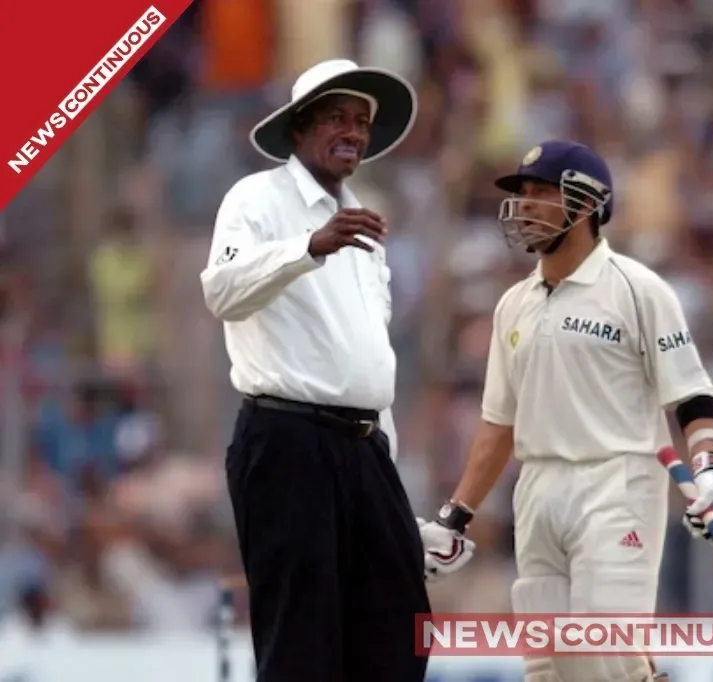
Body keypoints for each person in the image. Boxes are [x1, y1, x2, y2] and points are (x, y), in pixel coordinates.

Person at [415, 140, 713, 681]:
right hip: (538, 492)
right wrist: (456, 518)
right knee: (547, 670)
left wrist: (711, 468)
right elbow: (498, 424)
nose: (524, 204)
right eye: (522, 192)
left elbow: (692, 395)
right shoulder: (513, 305)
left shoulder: (638, 290)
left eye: (541, 192)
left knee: (602, 660)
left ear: (587, 204)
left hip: (616, 486)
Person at [199, 59, 429, 682]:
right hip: (287, 440)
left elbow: (367, 359)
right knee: (301, 642)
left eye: (361, 122)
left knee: (400, 631)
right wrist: (308, 247)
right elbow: (222, 291)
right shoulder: (256, 198)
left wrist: (387, 472)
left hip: (364, 448)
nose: (352, 131)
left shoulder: (363, 220)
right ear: (299, 128)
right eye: (336, 118)